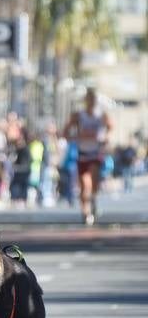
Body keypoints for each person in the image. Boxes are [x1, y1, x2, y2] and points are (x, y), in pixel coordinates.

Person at [64, 87, 112, 224]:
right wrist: (78, 136)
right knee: (85, 185)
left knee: (94, 184)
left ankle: (94, 201)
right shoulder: (78, 115)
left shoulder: (102, 115)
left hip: (96, 153)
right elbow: (66, 133)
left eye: (93, 100)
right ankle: (85, 213)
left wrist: (105, 138)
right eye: (88, 99)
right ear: (85, 101)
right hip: (82, 154)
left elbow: (110, 128)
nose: (91, 102)